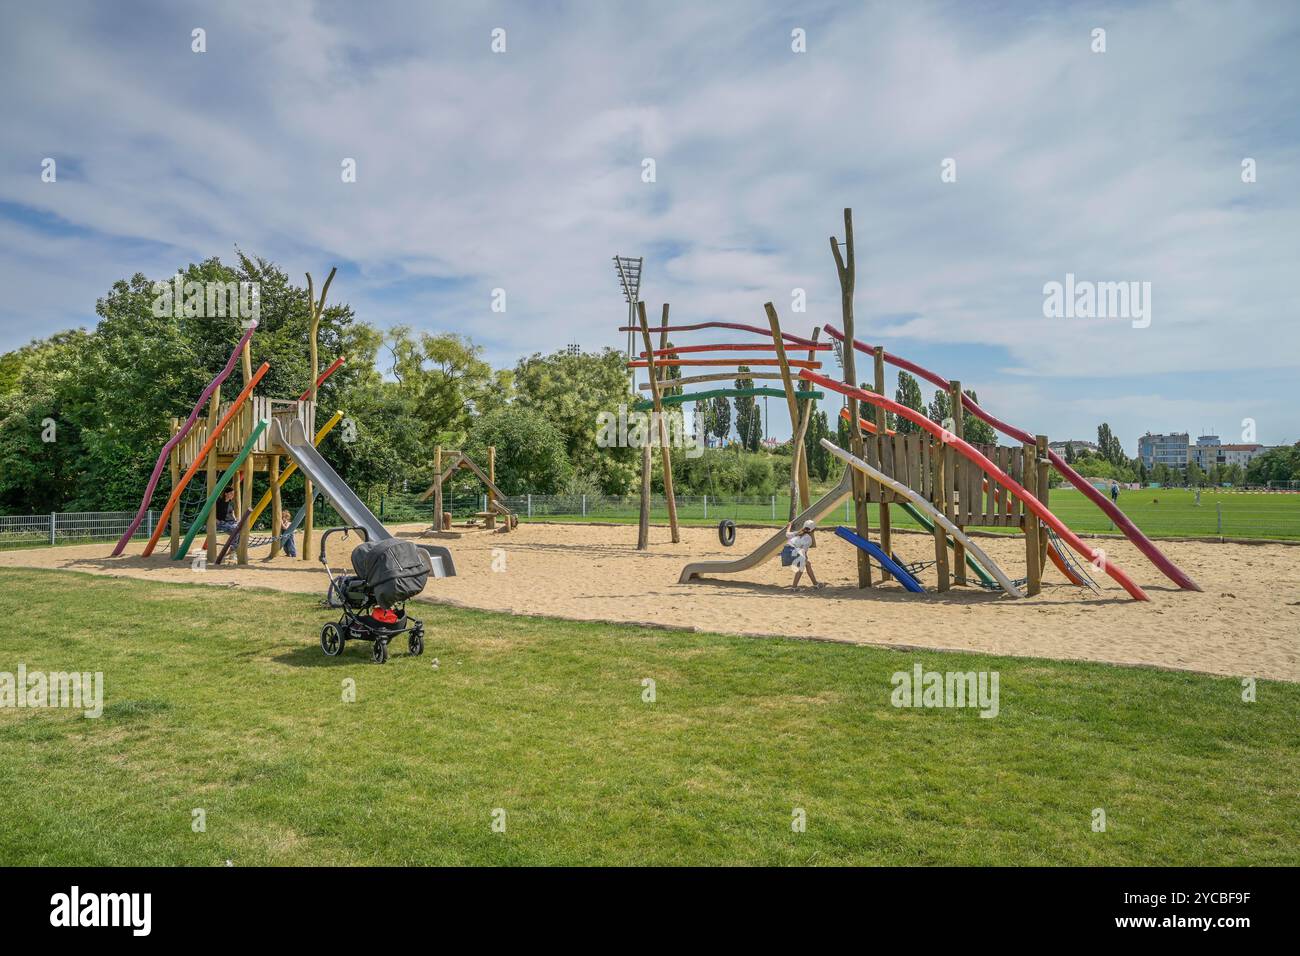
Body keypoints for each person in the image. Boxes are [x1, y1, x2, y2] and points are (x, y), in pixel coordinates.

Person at [784, 518, 823, 589]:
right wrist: (804, 558)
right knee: (801, 567)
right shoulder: (809, 539)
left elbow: (787, 534)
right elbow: (803, 551)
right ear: (813, 530)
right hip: (793, 552)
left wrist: (789, 526)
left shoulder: (797, 533)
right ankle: (794, 587)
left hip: (785, 552)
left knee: (808, 564)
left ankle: (815, 584)